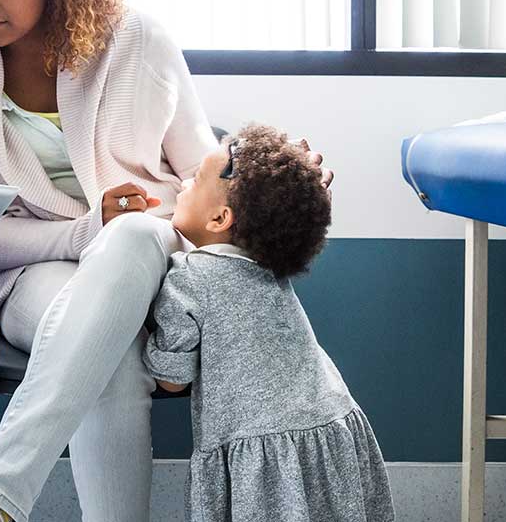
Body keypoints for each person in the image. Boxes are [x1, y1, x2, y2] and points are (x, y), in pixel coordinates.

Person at [0, 0, 328, 522]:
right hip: (31, 275)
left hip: (150, 258)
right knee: (100, 355)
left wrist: (286, 172)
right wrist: (88, 230)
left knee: (133, 234)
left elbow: (203, 170)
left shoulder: (138, 42)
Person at [146, 124, 395, 522]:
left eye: (196, 180)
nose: (185, 181)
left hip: (264, 457)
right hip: (333, 427)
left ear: (220, 218)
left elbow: (171, 379)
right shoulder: (269, 268)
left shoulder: (190, 276)